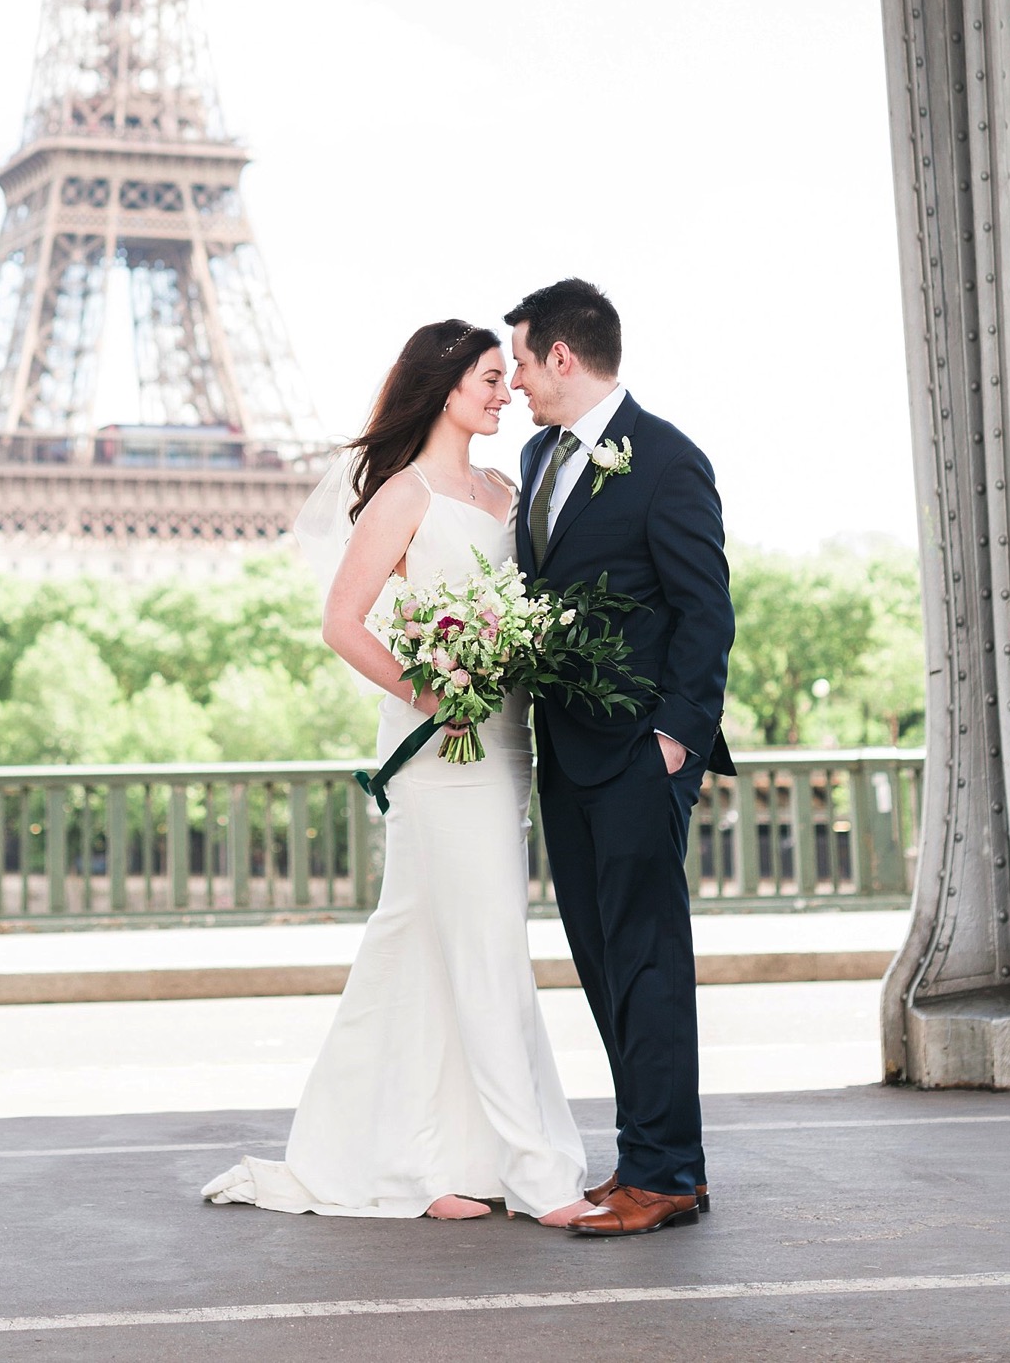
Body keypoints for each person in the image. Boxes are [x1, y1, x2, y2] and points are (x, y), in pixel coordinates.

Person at [202, 319, 591, 1224]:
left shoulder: (508, 486)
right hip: (439, 753)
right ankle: (535, 1175)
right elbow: (344, 622)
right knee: (488, 944)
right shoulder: (404, 497)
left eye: (508, 378)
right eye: (491, 378)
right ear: (446, 385)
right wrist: (433, 691)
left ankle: (424, 1164)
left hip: (506, 740)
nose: (505, 393)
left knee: (428, 944)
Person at [507, 276, 734, 1237]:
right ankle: (650, 1152)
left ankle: (666, 1175)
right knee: (602, 962)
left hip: (641, 755)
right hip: (563, 752)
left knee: (647, 961)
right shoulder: (535, 457)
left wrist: (674, 741)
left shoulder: (669, 460)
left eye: (519, 360)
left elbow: (704, 609)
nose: (512, 380)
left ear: (563, 355)